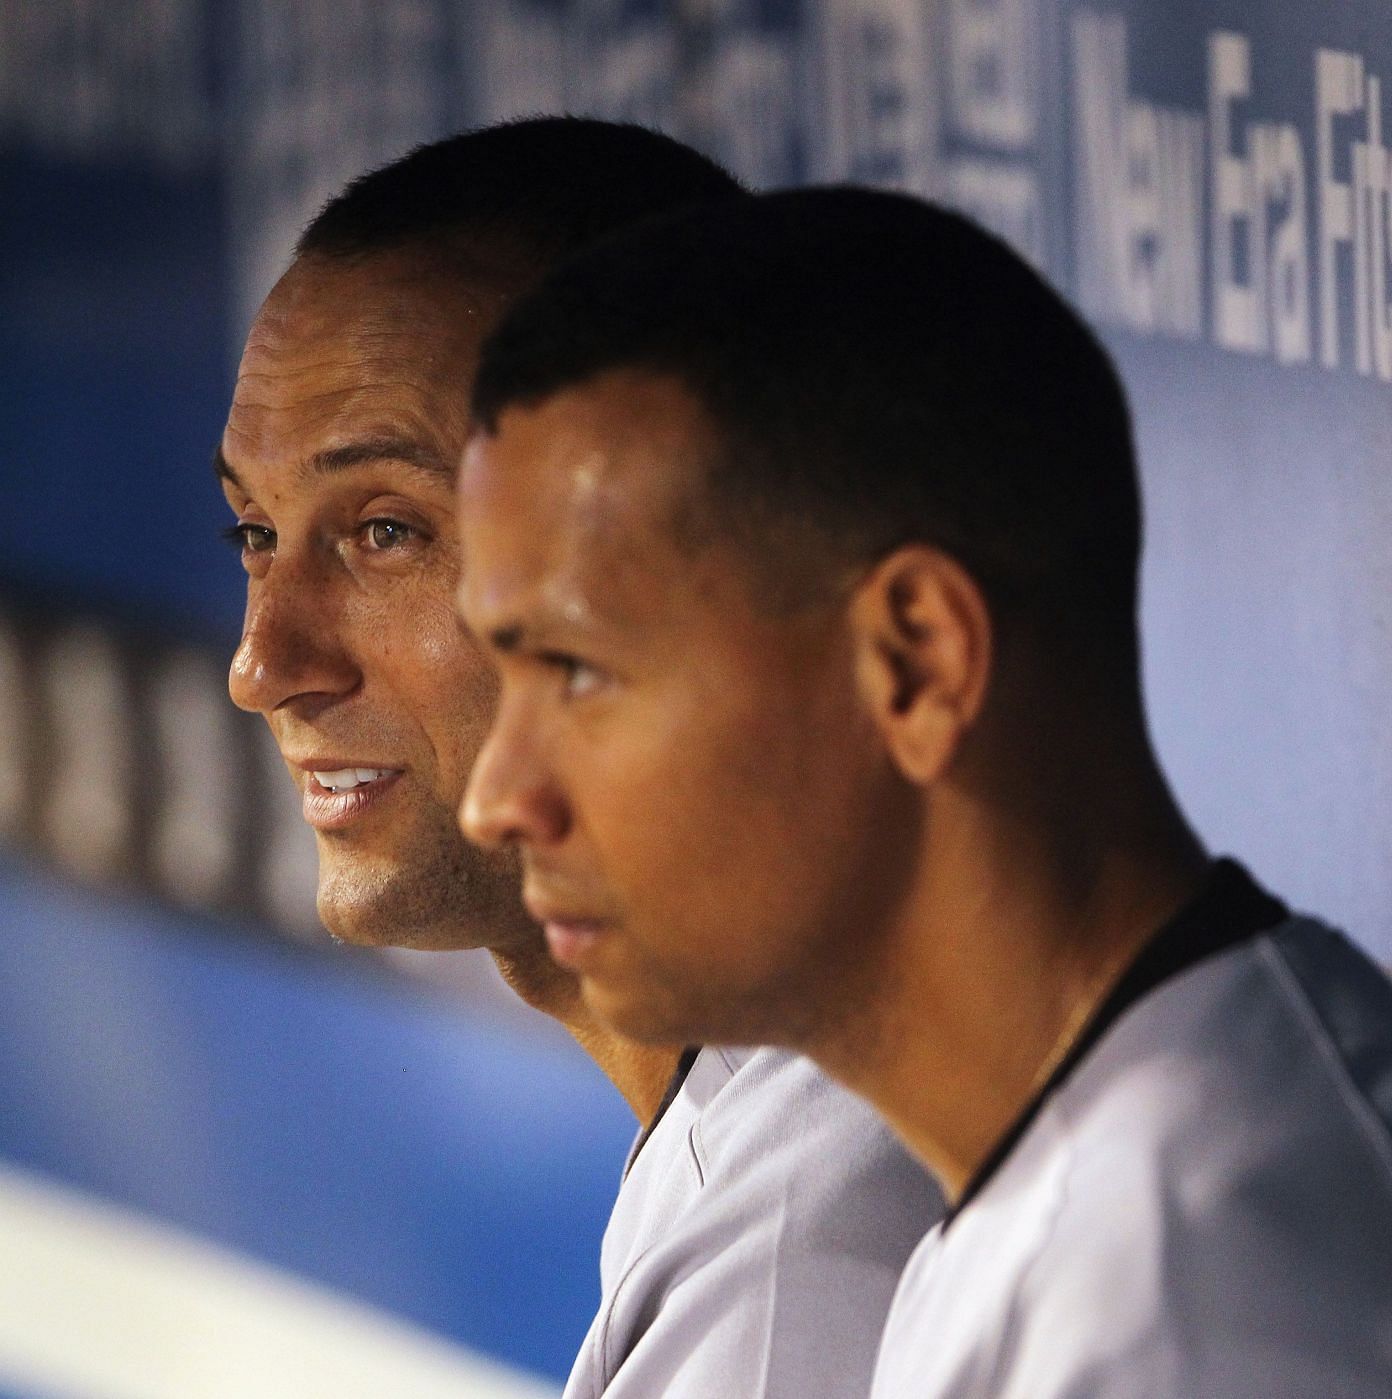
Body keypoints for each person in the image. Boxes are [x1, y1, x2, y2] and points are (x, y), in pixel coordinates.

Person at [457, 186, 1392, 1398]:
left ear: (916, 660)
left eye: (574, 671)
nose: (499, 795)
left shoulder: (1196, 1305)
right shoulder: (1120, 1180)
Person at [215, 121, 940, 1399]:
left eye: (385, 531)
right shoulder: (766, 1123)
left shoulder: (800, 1247)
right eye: (256, 534)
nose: (264, 662)